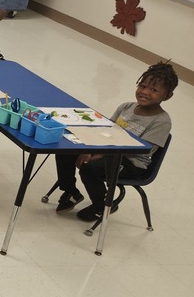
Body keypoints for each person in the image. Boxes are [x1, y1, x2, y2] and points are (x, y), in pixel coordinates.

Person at [53, 61, 175, 220]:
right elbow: (105, 131)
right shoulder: (126, 107)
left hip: (132, 162)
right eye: (143, 86)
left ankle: (101, 206)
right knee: (65, 151)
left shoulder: (161, 121)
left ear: (167, 95)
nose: (145, 92)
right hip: (109, 151)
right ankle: (71, 192)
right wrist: (91, 150)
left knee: (89, 167)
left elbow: (142, 149)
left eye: (154, 90)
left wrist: (101, 155)